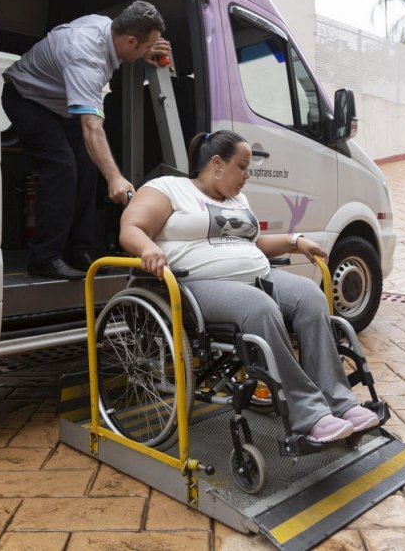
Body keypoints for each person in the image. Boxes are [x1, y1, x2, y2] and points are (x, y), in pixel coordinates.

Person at [119, 130, 380, 443]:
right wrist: (148, 248)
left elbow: (255, 243)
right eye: (241, 167)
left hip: (258, 276)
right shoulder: (169, 189)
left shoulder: (237, 200)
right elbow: (131, 228)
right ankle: (309, 414)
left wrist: (295, 242)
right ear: (217, 163)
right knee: (260, 307)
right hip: (197, 286)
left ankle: (340, 402)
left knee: (311, 297)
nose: (247, 175)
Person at [2, 1, 171, 280]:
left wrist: (145, 51)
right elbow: (91, 127)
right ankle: (44, 258)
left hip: (57, 103)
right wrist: (115, 178)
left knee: (87, 168)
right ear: (130, 40)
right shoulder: (86, 57)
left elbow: (88, 131)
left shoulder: (107, 27)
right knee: (62, 168)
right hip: (26, 99)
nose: (149, 50)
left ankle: (78, 251)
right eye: (147, 45)